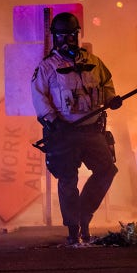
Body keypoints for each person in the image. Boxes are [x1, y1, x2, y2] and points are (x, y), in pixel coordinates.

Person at [30, 12, 122, 246]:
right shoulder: (47, 67)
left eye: (72, 35)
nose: (68, 40)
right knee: (67, 179)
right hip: (64, 132)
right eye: (63, 36)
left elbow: (106, 84)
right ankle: (73, 229)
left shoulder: (94, 61)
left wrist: (112, 99)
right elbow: (39, 96)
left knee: (107, 170)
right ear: (55, 38)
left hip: (92, 131)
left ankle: (83, 215)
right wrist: (53, 120)